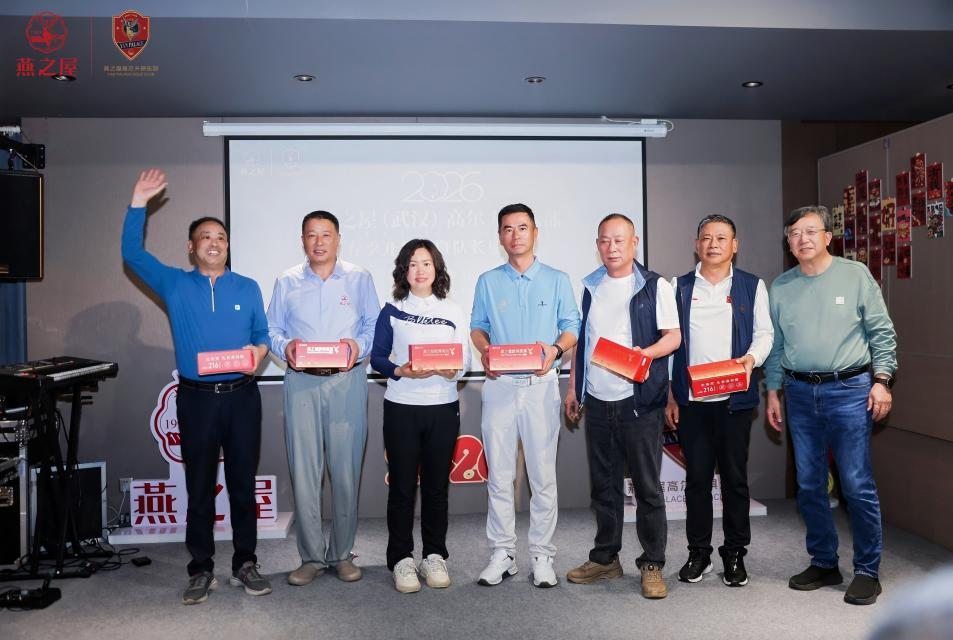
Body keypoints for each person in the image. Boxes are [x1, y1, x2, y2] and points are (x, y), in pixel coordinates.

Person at [121, 168, 271, 605]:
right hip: (197, 401)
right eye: (205, 237)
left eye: (221, 237)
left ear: (228, 246)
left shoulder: (248, 287)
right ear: (191, 247)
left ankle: (245, 562)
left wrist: (259, 352)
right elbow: (132, 254)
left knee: (242, 484)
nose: (214, 242)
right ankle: (201, 568)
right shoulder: (175, 283)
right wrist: (138, 203)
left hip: (242, 398)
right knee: (200, 487)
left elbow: (262, 334)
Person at [765, 206, 897, 606]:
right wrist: (773, 392)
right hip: (799, 393)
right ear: (788, 243)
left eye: (810, 231)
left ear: (827, 237)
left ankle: (867, 570)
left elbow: (882, 332)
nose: (802, 239)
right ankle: (824, 562)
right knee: (809, 484)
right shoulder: (781, 287)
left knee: (856, 483)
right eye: (794, 233)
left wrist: (882, 381)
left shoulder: (855, 275)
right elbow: (776, 346)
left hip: (850, 390)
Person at [564, 213, 681, 599]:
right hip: (598, 400)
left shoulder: (654, 285)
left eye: (618, 240)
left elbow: (673, 337)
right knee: (604, 486)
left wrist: (646, 353)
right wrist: (574, 388)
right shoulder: (590, 286)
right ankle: (605, 558)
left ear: (634, 243)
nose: (611, 247)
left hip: (639, 402)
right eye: (604, 241)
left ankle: (653, 563)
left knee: (647, 487)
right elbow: (583, 341)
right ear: (597, 245)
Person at [267, 210, 380, 586]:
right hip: (301, 382)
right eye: (311, 235)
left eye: (326, 234)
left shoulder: (359, 277)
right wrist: (286, 346)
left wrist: (357, 346)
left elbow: (373, 326)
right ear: (302, 240)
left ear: (338, 239)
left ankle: (342, 554)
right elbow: (271, 329)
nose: (318, 242)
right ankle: (311, 557)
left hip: (346, 381)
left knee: (346, 471)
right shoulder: (287, 280)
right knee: (304, 472)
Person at [470, 203, 580, 588]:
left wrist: (555, 349)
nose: (514, 235)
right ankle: (503, 553)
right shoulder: (488, 281)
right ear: (500, 236)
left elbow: (571, 326)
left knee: (542, 476)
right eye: (507, 229)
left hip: (541, 386)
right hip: (500, 386)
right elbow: (478, 327)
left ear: (535, 232)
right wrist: (485, 350)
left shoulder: (557, 279)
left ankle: (542, 555)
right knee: (500, 476)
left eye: (522, 227)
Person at [664, 214, 774, 587]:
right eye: (707, 238)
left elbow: (765, 334)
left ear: (734, 245)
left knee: (734, 480)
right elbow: (670, 345)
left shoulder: (751, 286)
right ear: (697, 245)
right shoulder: (678, 287)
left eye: (722, 238)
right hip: (692, 402)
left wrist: (752, 359)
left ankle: (735, 553)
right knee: (696, 479)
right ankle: (699, 553)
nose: (713, 244)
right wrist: (671, 394)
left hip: (733, 400)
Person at [370, 239, 471, 593]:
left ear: (436, 268)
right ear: (403, 271)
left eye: (426, 263)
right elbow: (377, 357)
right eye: (412, 264)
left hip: (442, 407)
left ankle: (434, 555)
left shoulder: (453, 309)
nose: (420, 270)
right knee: (401, 488)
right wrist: (400, 371)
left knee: (436, 488)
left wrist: (452, 370)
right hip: (401, 407)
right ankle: (401, 558)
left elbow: (465, 359)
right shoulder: (392, 308)